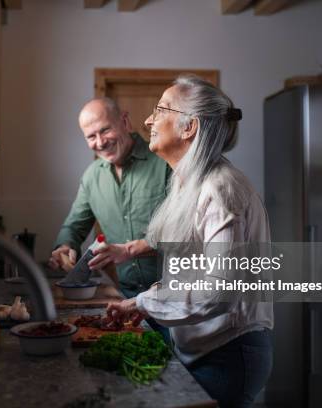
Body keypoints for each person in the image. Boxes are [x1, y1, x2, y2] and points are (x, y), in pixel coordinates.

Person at [101, 74, 273, 408]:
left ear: (189, 127)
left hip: (229, 354)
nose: (149, 120)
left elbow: (218, 291)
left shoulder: (221, 189)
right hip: (207, 347)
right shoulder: (189, 182)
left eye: (160, 110)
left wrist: (141, 302)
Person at [48, 97, 171, 298]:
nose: (100, 142)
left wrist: (130, 250)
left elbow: (187, 230)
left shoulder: (165, 162)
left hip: (175, 296)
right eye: (91, 136)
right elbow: (74, 226)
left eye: (105, 130)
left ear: (124, 122)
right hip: (126, 297)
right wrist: (65, 246)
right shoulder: (91, 176)